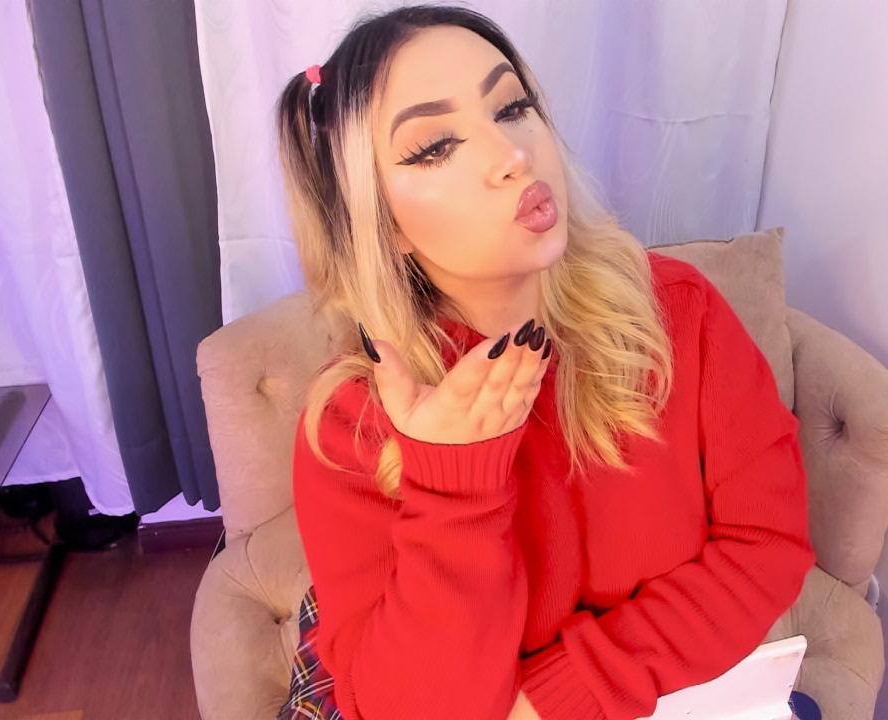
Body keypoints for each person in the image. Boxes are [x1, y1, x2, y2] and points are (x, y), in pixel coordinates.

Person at [274, 4, 815, 719]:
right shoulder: (351, 424)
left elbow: (767, 543)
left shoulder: (679, 314)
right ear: (382, 224)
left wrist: (564, 695)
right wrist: (453, 485)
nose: (513, 155)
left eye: (511, 107)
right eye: (434, 147)